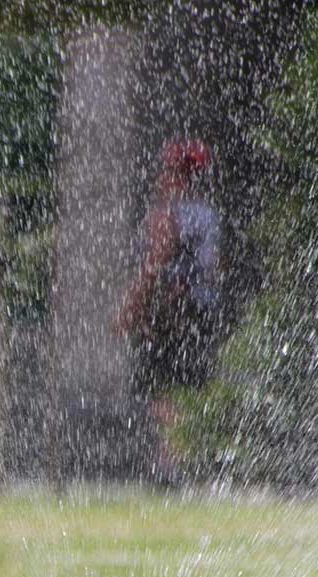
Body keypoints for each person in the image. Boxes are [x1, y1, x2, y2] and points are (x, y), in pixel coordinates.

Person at [112, 137, 226, 482]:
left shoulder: (166, 215)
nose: (159, 177)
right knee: (184, 390)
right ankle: (182, 461)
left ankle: (170, 467)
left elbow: (155, 263)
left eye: (166, 169)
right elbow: (214, 268)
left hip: (167, 316)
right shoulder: (209, 217)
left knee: (163, 392)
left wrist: (132, 306)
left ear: (177, 174)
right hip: (199, 314)